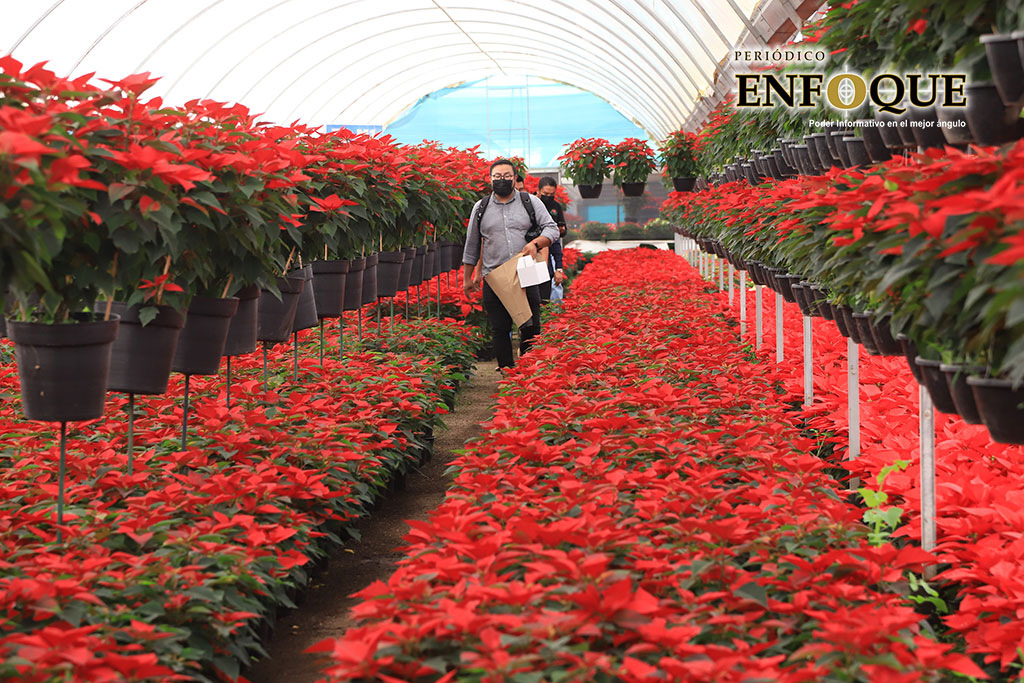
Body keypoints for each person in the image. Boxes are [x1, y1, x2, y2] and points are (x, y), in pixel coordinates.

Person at [463, 159, 560, 370]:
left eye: (507, 176)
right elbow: (471, 245)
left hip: (526, 272)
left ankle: (528, 370)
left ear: (515, 178)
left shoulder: (530, 202)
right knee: (500, 328)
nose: (502, 180)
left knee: (530, 327)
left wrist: (536, 243)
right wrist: (467, 279)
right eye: (497, 176)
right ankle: (507, 371)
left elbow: (552, 229)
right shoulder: (480, 208)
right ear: (489, 180)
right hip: (494, 276)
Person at [536, 176, 567, 302]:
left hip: (547, 258)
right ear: (538, 191)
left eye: (551, 194)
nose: (548, 197)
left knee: (545, 298)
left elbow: (558, 238)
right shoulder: (529, 204)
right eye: (545, 194)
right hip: (529, 256)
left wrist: (558, 268)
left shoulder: (555, 207)